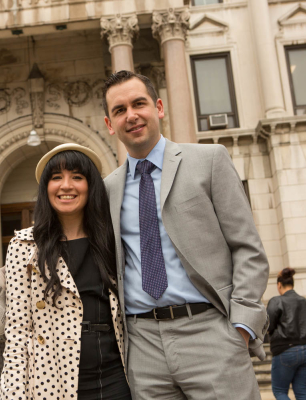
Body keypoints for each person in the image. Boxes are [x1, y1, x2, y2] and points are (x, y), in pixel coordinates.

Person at [102, 70, 269, 399]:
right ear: (110, 124)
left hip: (212, 333)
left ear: (159, 107)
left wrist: (242, 327)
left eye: (139, 104)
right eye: (119, 110)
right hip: (143, 344)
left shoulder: (209, 160)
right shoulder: (108, 189)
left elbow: (248, 248)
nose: (131, 115)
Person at [0, 143, 131, 400]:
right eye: (56, 178)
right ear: (45, 187)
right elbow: (17, 333)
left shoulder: (111, 239)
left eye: (77, 177)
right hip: (53, 380)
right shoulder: (24, 245)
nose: (66, 186)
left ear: (91, 186)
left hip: (117, 378)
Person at [267, 268, 306, 400]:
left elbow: (268, 324)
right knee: (301, 390)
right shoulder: (305, 301)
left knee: (280, 391)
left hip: (286, 348)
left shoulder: (276, 301)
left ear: (279, 284)